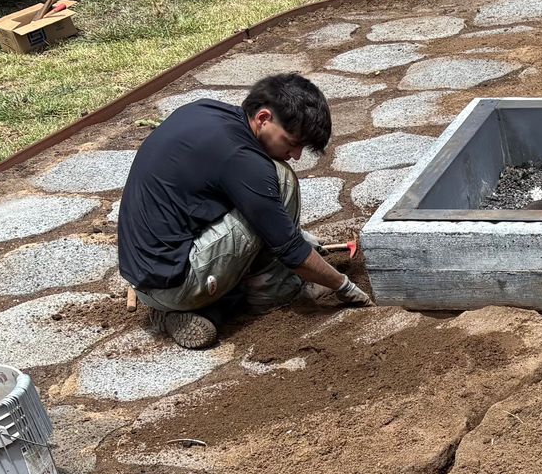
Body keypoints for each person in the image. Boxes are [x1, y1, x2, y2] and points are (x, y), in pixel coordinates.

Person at [117, 73, 370, 349]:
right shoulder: (244, 159)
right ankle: (270, 294)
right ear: (263, 118)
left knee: (266, 200)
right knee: (281, 179)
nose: (296, 155)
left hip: (148, 274)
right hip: (176, 285)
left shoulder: (206, 112)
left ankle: (206, 308)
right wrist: (342, 285)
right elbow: (290, 250)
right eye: (292, 143)